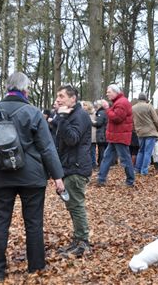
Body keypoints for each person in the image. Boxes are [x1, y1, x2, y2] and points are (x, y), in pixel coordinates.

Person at [0, 72, 65, 281]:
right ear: (24, 90)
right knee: (33, 223)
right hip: (31, 177)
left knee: (0, 223)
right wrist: (58, 176)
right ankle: (36, 267)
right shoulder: (33, 112)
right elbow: (47, 147)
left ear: (7, 88)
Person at [54, 85, 93, 256]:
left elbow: (72, 139)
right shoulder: (70, 115)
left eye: (62, 96)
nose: (58, 99)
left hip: (76, 168)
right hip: (68, 166)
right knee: (72, 205)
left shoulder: (80, 115)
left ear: (73, 99)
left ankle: (83, 243)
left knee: (76, 206)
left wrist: (61, 119)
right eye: (57, 96)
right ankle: (78, 240)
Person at [96, 84, 135, 187]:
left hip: (120, 136)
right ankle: (101, 179)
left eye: (109, 92)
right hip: (115, 136)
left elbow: (117, 118)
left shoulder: (122, 102)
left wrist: (107, 108)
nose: (107, 94)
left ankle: (130, 181)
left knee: (125, 159)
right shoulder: (119, 102)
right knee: (107, 157)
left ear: (115, 92)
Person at [132, 93, 158, 175]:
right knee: (147, 152)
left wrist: (135, 129)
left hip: (140, 132)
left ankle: (137, 169)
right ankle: (144, 171)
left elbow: (132, 121)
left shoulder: (133, 108)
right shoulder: (149, 106)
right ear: (145, 99)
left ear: (139, 99)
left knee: (141, 151)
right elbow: (156, 120)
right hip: (150, 132)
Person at [92, 99, 108, 167]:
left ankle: (102, 164)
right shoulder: (104, 112)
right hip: (103, 133)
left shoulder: (101, 113)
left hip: (101, 134)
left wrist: (92, 122)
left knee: (101, 150)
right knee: (102, 150)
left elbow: (99, 123)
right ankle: (101, 163)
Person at [81, 101, 97, 168]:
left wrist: (91, 121)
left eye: (85, 105)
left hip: (92, 134)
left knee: (92, 150)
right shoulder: (83, 113)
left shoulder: (94, 113)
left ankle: (93, 164)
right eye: (83, 105)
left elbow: (98, 122)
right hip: (85, 134)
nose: (84, 107)